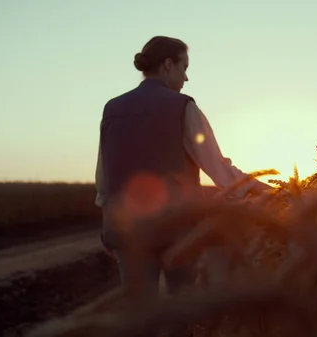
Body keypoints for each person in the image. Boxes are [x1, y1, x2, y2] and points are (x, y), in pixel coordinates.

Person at [94, 36, 271, 299]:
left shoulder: (112, 108)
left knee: (139, 317)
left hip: (127, 231)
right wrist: (267, 192)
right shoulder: (182, 106)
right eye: (184, 68)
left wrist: (110, 227)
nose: (186, 78)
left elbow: (104, 178)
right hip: (177, 230)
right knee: (183, 312)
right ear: (168, 65)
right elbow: (220, 171)